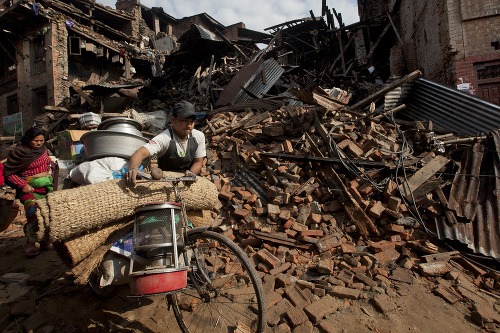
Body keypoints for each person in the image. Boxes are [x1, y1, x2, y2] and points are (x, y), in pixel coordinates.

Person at [125, 100, 206, 187]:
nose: (189, 125)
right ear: (173, 120)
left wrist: (191, 173)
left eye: (191, 121)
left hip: (186, 180)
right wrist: (133, 169)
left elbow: (198, 162)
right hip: (166, 181)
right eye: (184, 120)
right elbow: (140, 153)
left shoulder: (199, 136)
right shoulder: (164, 138)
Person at [3, 127, 54, 257]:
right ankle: (30, 243)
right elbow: (8, 174)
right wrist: (23, 184)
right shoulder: (19, 153)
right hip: (28, 189)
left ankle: (44, 242)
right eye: (35, 140)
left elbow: (48, 163)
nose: (39, 143)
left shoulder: (43, 150)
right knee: (33, 213)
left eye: (41, 140)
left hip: (45, 187)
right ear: (28, 139)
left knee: (48, 214)